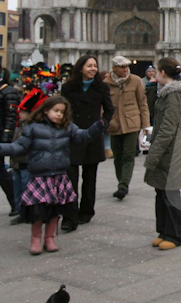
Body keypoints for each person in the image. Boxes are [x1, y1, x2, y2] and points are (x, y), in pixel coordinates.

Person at [0, 96, 107, 254]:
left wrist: (98, 126)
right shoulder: (33, 128)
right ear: (45, 110)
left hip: (59, 176)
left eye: (62, 112)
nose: (59, 115)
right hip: (39, 176)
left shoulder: (67, 127)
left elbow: (83, 136)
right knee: (38, 210)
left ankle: (49, 238)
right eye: (56, 111)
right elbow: (18, 147)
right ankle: (36, 238)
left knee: (55, 211)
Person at [60, 55, 115, 232]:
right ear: (81, 68)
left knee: (90, 178)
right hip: (72, 134)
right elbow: (63, 108)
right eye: (89, 66)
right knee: (70, 178)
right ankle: (69, 216)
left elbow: (109, 109)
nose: (93, 69)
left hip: (92, 136)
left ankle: (86, 211)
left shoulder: (101, 87)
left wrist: (102, 124)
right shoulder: (68, 87)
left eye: (95, 66)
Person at [144, 58, 181, 251]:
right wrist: (151, 88)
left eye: (156, 71)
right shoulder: (164, 92)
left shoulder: (173, 95)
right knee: (160, 190)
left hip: (172, 149)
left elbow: (168, 129)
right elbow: (151, 109)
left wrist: (152, 154)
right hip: (165, 148)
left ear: (163, 72)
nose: (153, 74)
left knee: (170, 191)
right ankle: (163, 231)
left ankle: (175, 234)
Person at [105, 56, 149, 200]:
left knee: (129, 155)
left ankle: (123, 186)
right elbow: (103, 106)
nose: (125, 69)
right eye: (122, 67)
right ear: (114, 68)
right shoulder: (106, 83)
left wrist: (145, 125)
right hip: (114, 124)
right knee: (117, 157)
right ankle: (121, 182)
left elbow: (143, 104)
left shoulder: (135, 81)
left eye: (126, 66)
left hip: (132, 123)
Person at [9, 87, 47, 225]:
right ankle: (20, 211)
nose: (20, 114)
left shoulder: (31, 127)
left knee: (27, 188)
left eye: (23, 112)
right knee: (17, 188)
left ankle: (28, 212)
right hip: (16, 163)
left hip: (26, 163)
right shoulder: (19, 125)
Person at [1, 68, 21, 215]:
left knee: (1, 172)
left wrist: (6, 139)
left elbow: (10, 117)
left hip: (1, 136)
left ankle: (16, 202)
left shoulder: (8, 92)